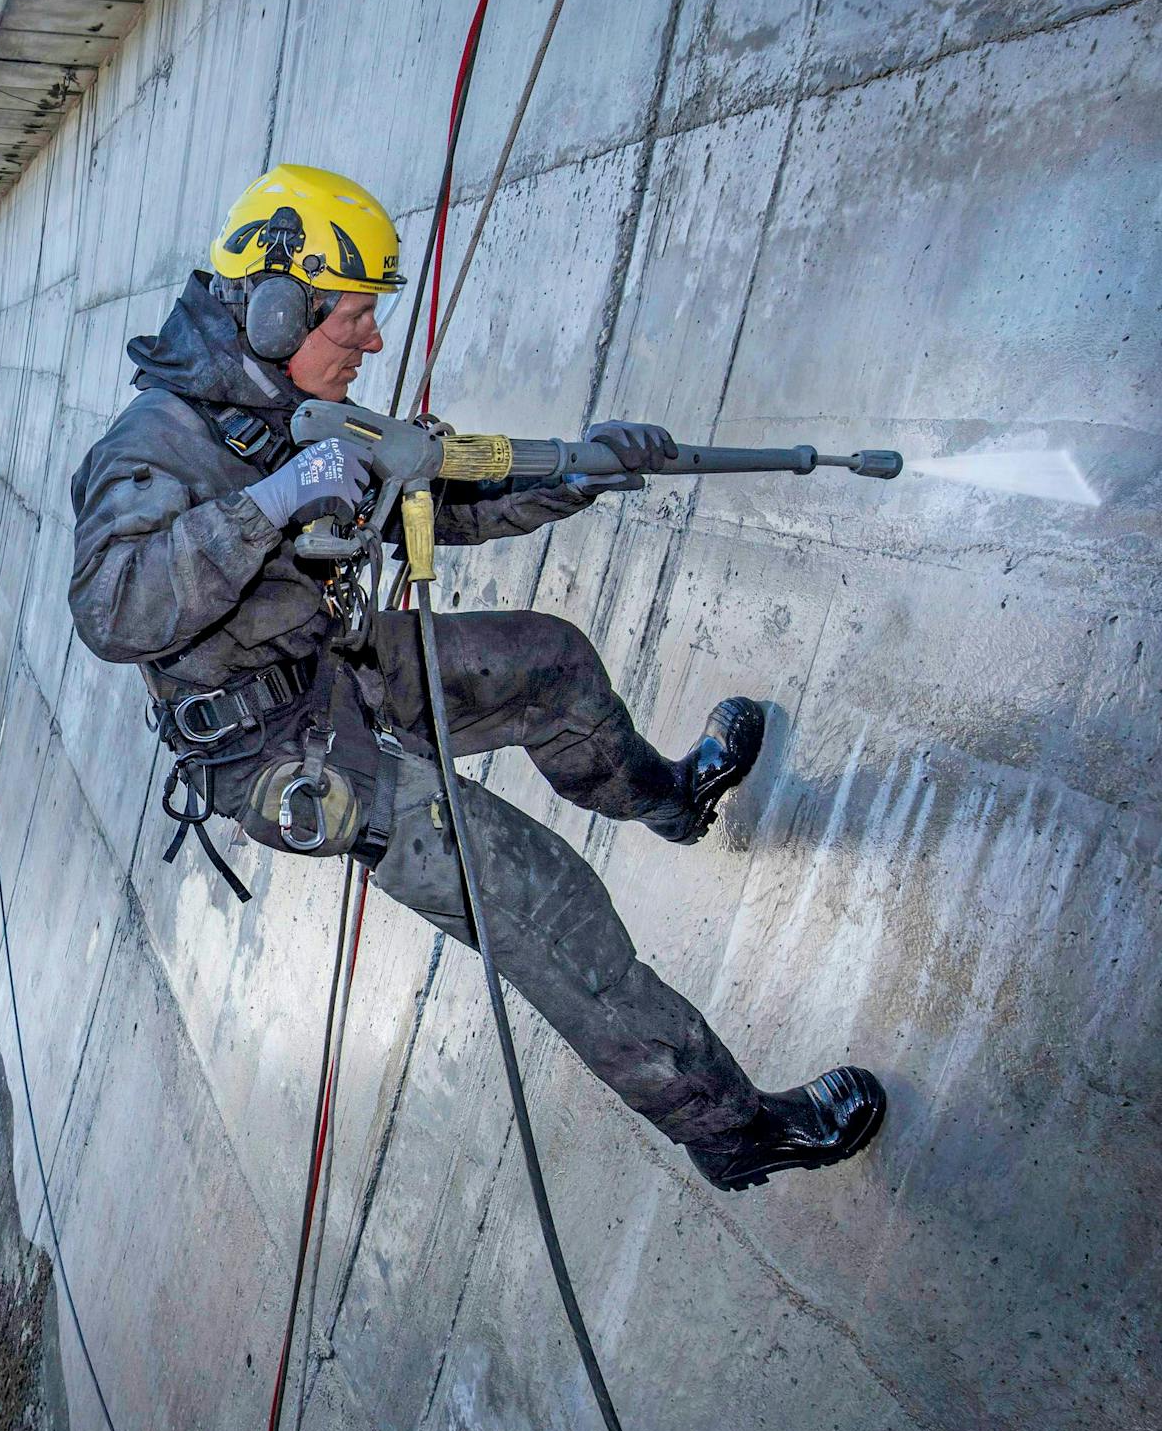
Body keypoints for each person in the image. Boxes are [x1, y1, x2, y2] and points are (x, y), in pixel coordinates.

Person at [68, 164, 885, 1191]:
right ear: (277, 310)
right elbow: (110, 606)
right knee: (543, 902)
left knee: (550, 664)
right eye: (355, 317)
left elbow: (438, 495)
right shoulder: (155, 446)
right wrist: (266, 505)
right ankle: (732, 1127)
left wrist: (576, 471)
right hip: (282, 747)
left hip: (331, 665)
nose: (371, 340)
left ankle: (668, 799)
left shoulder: (299, 404)